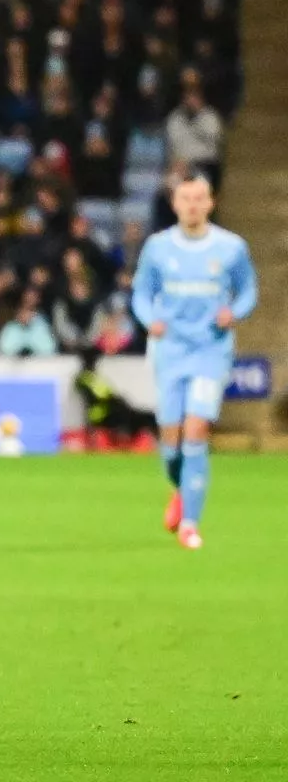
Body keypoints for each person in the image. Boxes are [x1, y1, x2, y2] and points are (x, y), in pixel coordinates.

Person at [131, 174, 257, 549]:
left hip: (210, 349)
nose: (192, 205)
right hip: (170, 350)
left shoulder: (231, 247)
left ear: (210, 203)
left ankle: (190, 524)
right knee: (171, 440)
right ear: (174, 204)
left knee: (196, 429)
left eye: (199, 198)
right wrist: (147, 320)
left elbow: (249, 289)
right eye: (185, 198)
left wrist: (234, 312)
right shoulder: (157, 248)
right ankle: (181, 488)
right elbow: (141, 294)